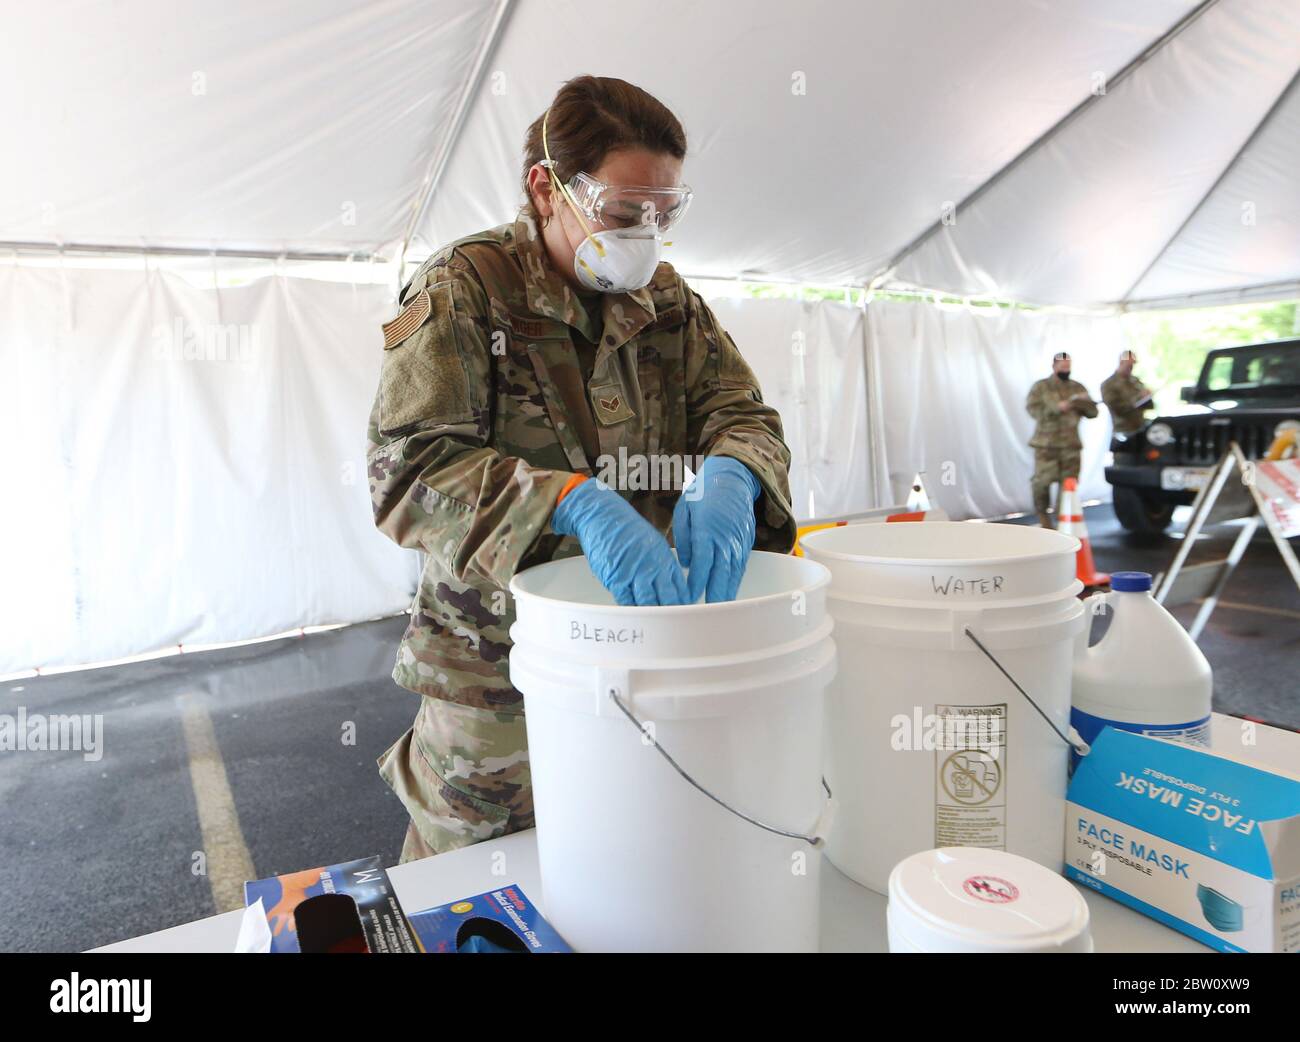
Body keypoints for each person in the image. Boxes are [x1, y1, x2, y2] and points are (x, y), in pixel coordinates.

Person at [365, 76, 796, 863]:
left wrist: (734, 471)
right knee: (472, 888)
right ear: (546, 187)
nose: (646, 233)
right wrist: (571, 504)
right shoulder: (464, 288)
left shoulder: (668, 300)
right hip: (499, 681)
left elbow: (741, 411)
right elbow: (409, 472)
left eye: (665, 213)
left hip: (648, 659)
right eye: (622, 209)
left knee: (629, 861)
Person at [1025, 351, 1097, 528]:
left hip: (1070, 445)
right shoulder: (1041, 387)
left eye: (1069, 366)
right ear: (1054, 366)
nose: (1066, 370)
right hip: (1046, 445)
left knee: (1069, 484)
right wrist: (1057, 408)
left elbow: (1093, 412)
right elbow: (1033, 410)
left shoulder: (1077, 387)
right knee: (1041, 483)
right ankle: (1043, 518)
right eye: (1063, 367)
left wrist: (1083, 402)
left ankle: (1063, 519)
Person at [1100, 350, 1152, 435]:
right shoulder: (1108, 384)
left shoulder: (1135, 380)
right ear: (1121, 362)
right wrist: (1139, 397)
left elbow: (1148, 405)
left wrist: (1147, 397)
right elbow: (1118, 409)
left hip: (1141, 428)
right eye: (1129, 366)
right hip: (1123, 431)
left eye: (1133, 366)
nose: (1131, 368)